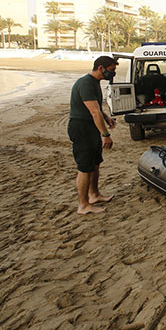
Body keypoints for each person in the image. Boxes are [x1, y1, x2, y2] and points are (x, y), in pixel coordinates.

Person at [67, 56, 118, 215]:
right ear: (101, 68)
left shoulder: (95, 83)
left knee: (95, 162)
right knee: (85, 167)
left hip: (91, 126)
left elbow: (97, 109)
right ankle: (83, 205)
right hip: (81, 128)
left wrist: (106, 117)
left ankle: (94, 195)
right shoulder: (85, 84)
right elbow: (94, 112)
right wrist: (105, 134)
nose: (113, 74)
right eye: (112, 71)